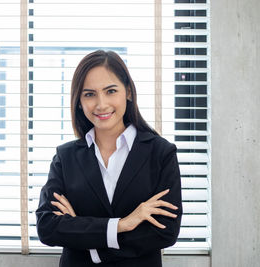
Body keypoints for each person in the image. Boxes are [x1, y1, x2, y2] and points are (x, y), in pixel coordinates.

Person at [36, 50, 182, 267]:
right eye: (89, 94)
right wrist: (123, 225)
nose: (101, 104)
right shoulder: (65, 157)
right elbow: (47, 227)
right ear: (79, 102)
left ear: (128, 92)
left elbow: (164, 232)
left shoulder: (160, 154)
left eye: (111, 91)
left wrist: (85, 237)